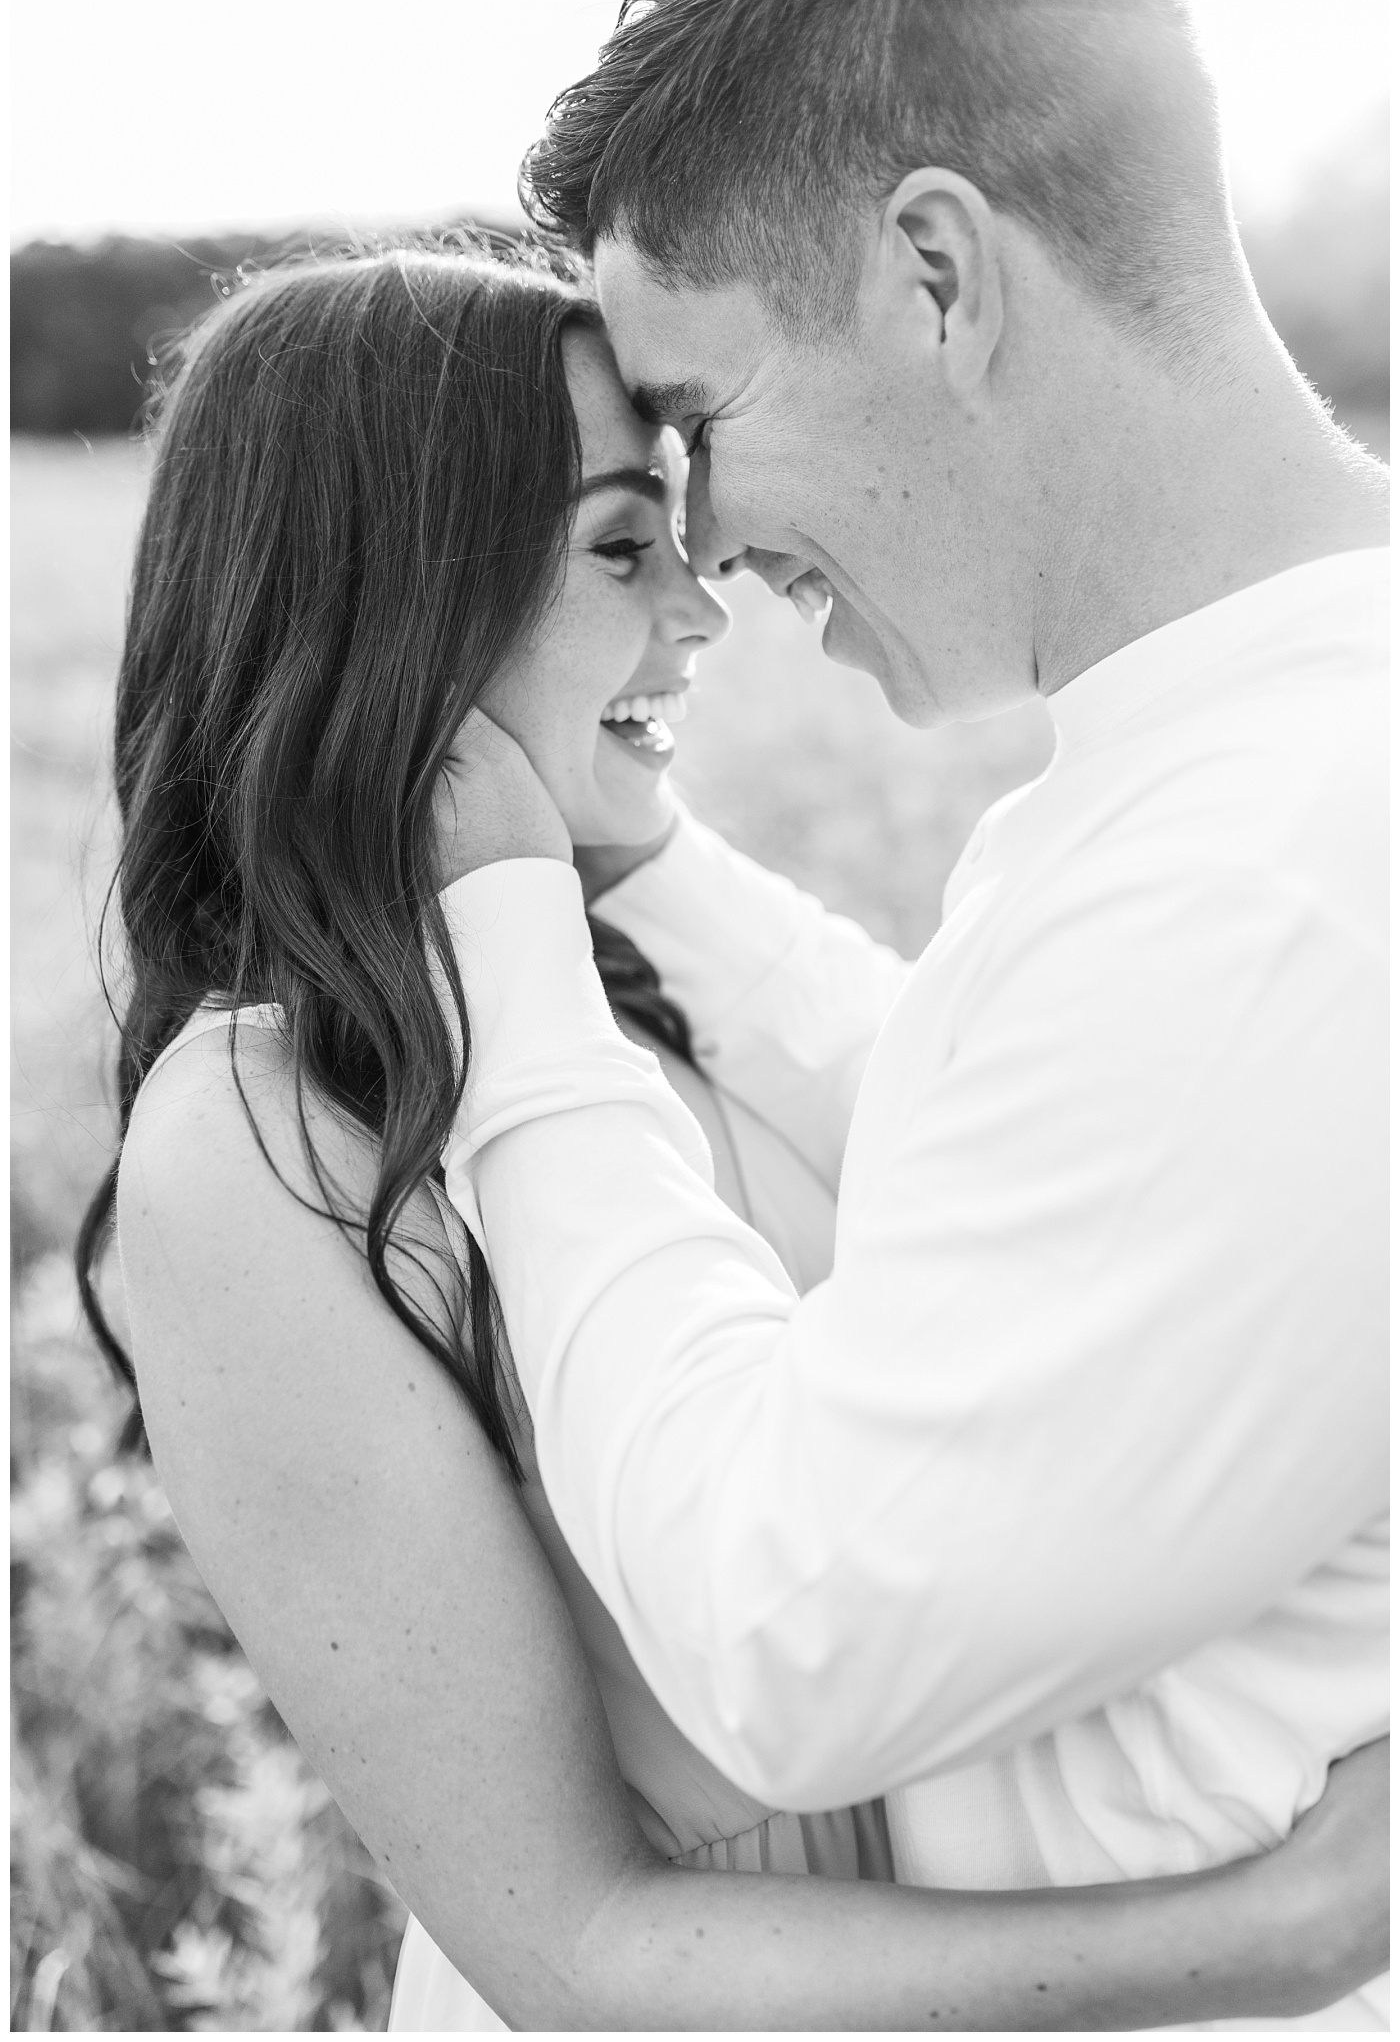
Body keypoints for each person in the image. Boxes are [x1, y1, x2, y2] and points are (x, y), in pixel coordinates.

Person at [82, 244, 1385, 2031]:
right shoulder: (251, 1147)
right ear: (400, 609)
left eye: (688, 536)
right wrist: (1279, 1933)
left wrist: (557, 878)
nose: (705, 611)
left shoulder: (615, 992)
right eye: (626, 547)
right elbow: (576, 1951)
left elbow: (996, 1147)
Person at [422, 0, 1391, 2026]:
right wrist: (651, 873)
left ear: (937, 276)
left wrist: (510, 955)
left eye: (699, 418)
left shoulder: (1258, 884)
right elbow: (1037, 1171)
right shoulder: (1250, 773)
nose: (705, 548)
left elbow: (785, 1640)